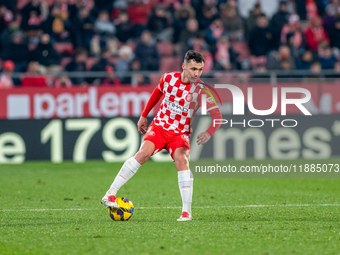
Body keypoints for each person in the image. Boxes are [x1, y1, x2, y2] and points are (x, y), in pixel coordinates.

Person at [101, 50, 222, 221]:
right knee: (142, 154)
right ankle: (110, 194)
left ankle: (186, 212)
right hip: (159, 127)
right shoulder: (168, 78)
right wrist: (144, 115)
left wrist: (208, 133)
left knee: (182, 160)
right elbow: (157, 93)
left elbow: (218, 116)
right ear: (184, 66)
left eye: (200, 69)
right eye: (193, 69)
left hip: (180, 133)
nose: (197, 73)